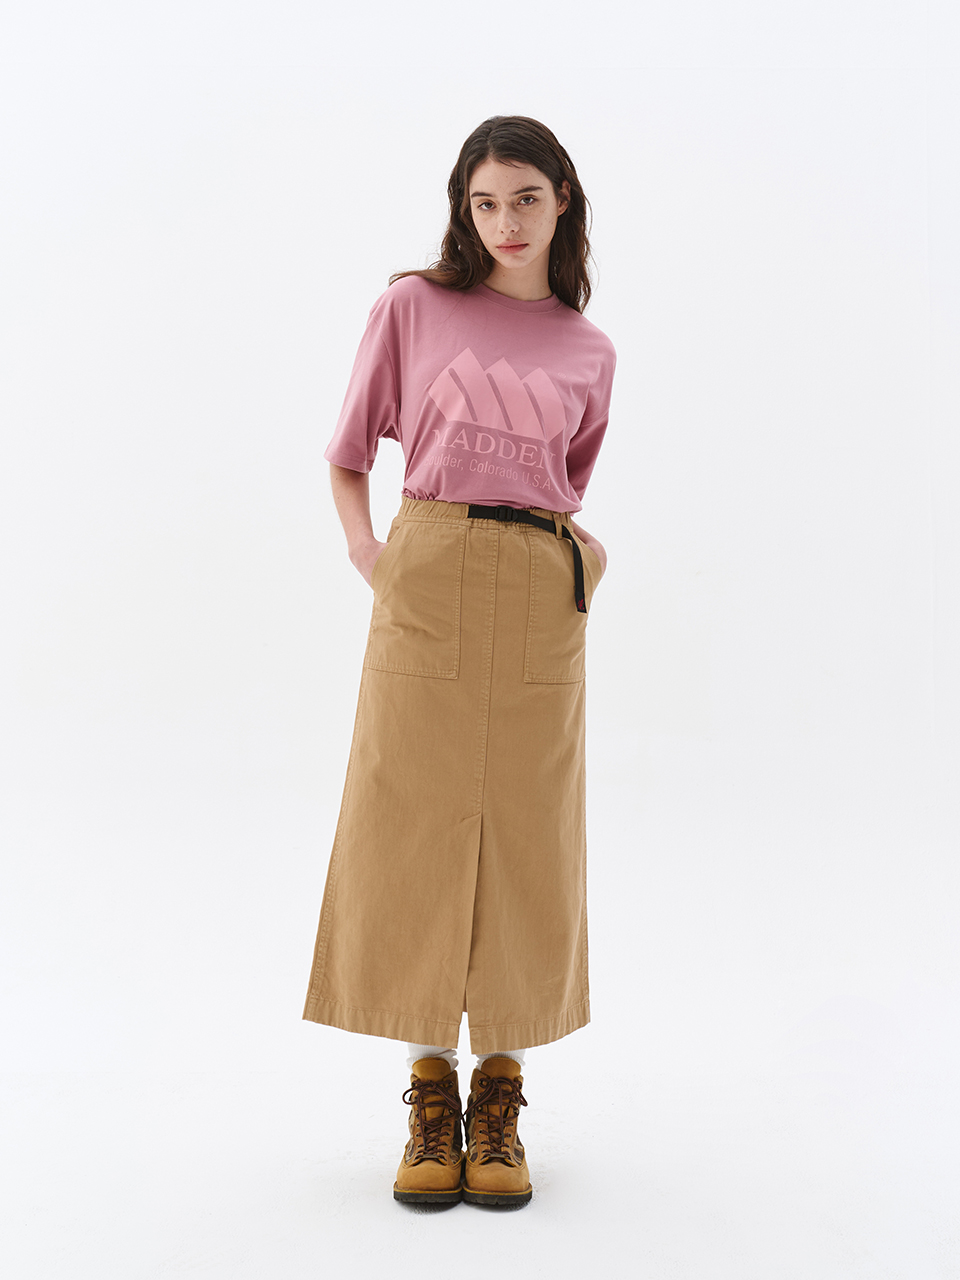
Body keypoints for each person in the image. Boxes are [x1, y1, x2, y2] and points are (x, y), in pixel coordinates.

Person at [302, 115, 617, 1207]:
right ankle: (429, 1088)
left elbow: (566, 479)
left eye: (526, 198)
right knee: (412, 817)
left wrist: (582, 559)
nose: (506, 222)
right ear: (463, 210)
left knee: (528, 832)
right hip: (428, 568)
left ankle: (502, 1097)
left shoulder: (588, 349)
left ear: (562, 200)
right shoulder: (412, 307)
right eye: (485, 202)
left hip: (537, 585)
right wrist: (372, 555)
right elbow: (349, 454)